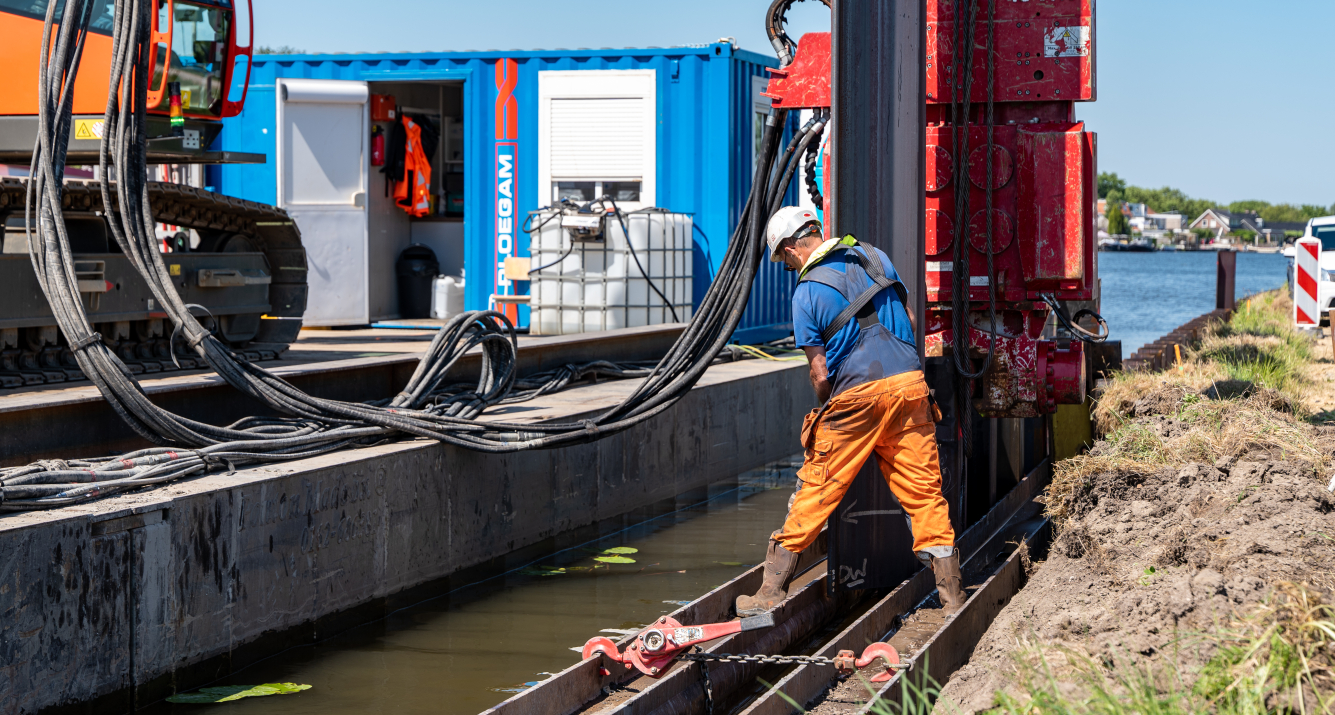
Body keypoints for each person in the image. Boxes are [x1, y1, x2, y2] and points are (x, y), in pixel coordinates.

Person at [735, 207, 967, 617]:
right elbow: (910, 319)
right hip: (910, 388)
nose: (789, 266)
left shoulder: (805, 292)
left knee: (818, 488)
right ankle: (952, 600)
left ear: (791, 248)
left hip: (856, 399)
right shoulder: (875, 256)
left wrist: (828, 407)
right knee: (924, 494)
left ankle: (770, 592)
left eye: (785, 260)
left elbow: (820, 372)